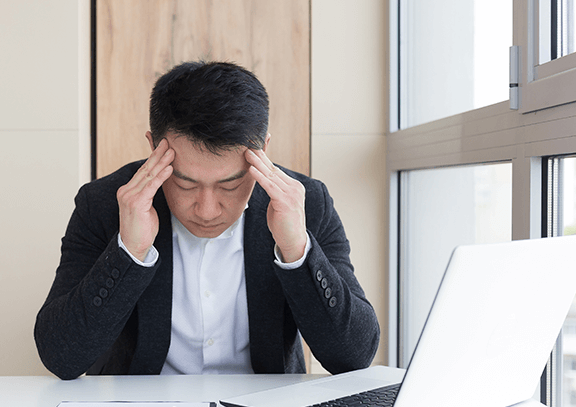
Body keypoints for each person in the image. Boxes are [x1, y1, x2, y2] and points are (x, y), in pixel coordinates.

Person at [35, 61, 380, 378]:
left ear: (263, 151)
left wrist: (297, 249)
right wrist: (129, 251)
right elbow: (61, 358)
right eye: (185, 182)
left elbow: (353, 357)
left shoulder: (304, 202)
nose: (207, 209)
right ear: (154, 147)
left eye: (230, 183)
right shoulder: (106, 204)